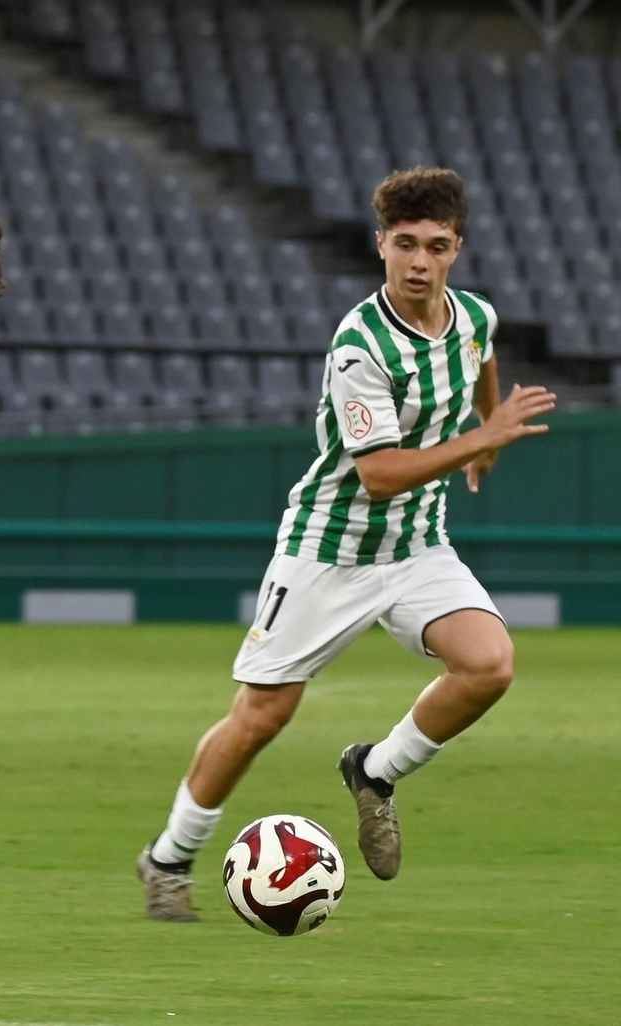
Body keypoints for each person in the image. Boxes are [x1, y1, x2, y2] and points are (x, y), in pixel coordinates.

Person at [136, 166, 558, 922]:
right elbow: (380, 475)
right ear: (381, 245)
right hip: (328, 550)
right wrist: (479, 439)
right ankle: (167, 859)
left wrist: (487, 439)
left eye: (436, 245)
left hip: (417, 549)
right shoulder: (360, 345)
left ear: (457, 249)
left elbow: (484, 358)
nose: (419, 262)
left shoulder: (471, 317)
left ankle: (375, 771)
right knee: (261, 716)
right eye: (405, 245)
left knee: (490, 664)